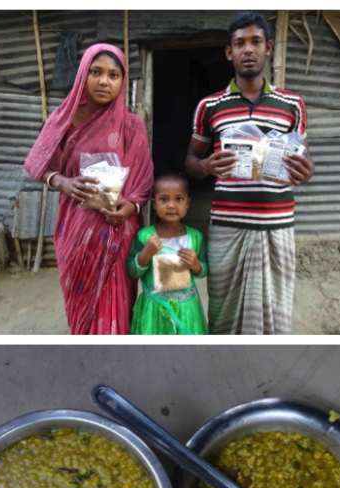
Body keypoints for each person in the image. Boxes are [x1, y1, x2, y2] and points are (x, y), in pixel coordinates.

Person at [186, 11, 314, 334]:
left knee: (274, 315)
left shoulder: (292, 104)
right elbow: (191, 159)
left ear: (268, 47)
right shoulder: (210, 106)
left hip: (277, 224)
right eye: (239, 43)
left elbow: (303, 156)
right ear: (229, 52)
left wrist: (306, 170)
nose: (248, 50)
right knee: (222, 312)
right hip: (228, 228)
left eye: (255, 41)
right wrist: (204, 166)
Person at [25, 43, 154, 335]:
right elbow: (37, 164)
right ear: (83, 74)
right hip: (76, 230)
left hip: (118, 232)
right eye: (96, 72)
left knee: (118, 310)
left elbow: (144, 180)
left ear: (122, 82)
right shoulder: (63, 120)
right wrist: (64, 182)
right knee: (80, 306)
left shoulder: (132, 126)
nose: (104, 81)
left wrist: (131, 207)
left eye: (113, 75)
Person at [127, 173, 209, 335]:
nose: (171, 205)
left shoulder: (195, 237)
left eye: (179, 199)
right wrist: (145, 254)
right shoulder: (145, 236)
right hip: (154, 308)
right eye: (164, 199)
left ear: (188, 203)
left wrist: (196, 265)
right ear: (154, 204)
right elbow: (131, 271)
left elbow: (205, 270)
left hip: (186, 309)